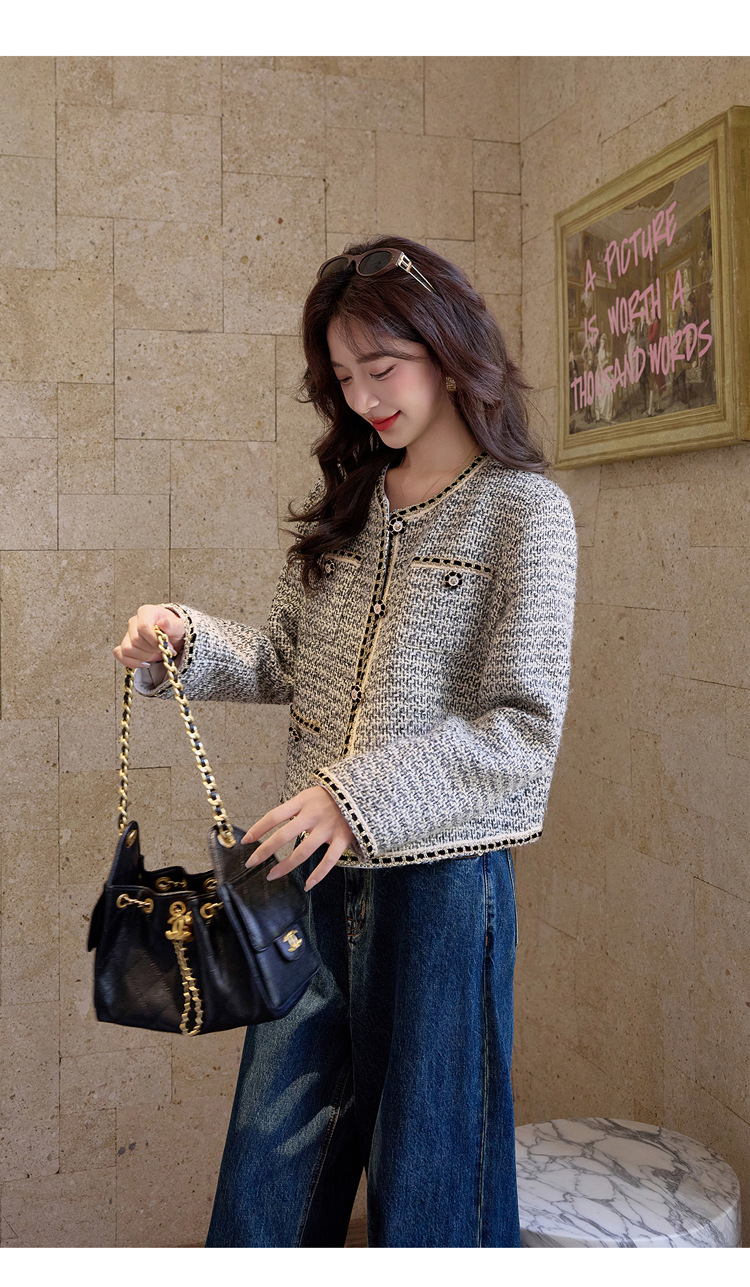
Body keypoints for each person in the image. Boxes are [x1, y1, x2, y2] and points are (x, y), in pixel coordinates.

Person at [113, 234, 578, 1249]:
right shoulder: (355, 504)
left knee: (433, 1195)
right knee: (266, 1188)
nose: (364, 397)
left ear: (448, 350)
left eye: (383, 366)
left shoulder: (525, 514)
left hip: (442, 894)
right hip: (307, 884)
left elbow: (522, 732)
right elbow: (281, 658)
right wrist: (184, 639)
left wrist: (354, 798)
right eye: (344, 375)